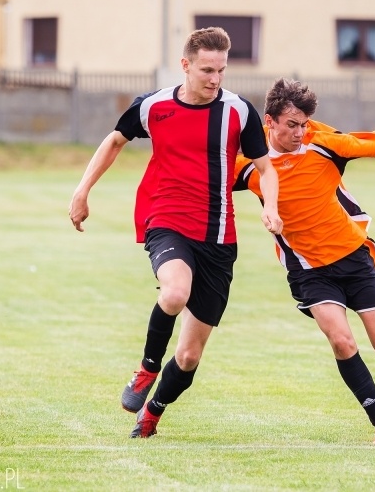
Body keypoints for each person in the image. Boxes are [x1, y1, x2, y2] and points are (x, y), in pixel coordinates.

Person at [68, 27, 282, 439]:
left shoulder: (239, 111)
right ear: (186, 65)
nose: (215, 78)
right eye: (206, 69)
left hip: (219, 236)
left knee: (188, 355)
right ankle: (146, 368)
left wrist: (270, 208)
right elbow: (115, 141)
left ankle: (153, 413)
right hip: (166, 219)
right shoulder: (154, 106)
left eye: (220, 70)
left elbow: (265, 167)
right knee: (174, 293)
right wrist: (82, 189)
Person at [233, 78, 375, 445]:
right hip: (308, 270)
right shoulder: (248, 158)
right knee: (341, 340)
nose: (299, 132)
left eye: (304, 123)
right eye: (291, 125)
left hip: (354, 258)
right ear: (269, 121)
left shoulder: (323, 143)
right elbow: (207, 177)